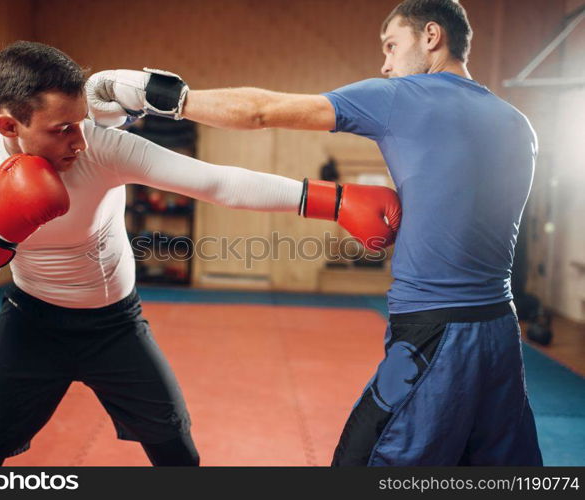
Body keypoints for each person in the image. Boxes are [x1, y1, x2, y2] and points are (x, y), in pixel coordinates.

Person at [87, 0, 543, 466]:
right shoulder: (518, 124)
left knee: (358, 463)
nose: (385, 64)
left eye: (391, 45)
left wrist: (157, 93)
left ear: (431, 37)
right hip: (501, 337)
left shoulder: (405, 96)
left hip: (434, 337)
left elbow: (262, 111)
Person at [0, 41, 400, 466]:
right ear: (8, 125)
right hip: (31, 321)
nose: (78, 141)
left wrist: (334, 201)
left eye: (81, 123)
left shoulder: (100, 147)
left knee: (177, 453)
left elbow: (217, 182)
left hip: (113, 325)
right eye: (62, 130)